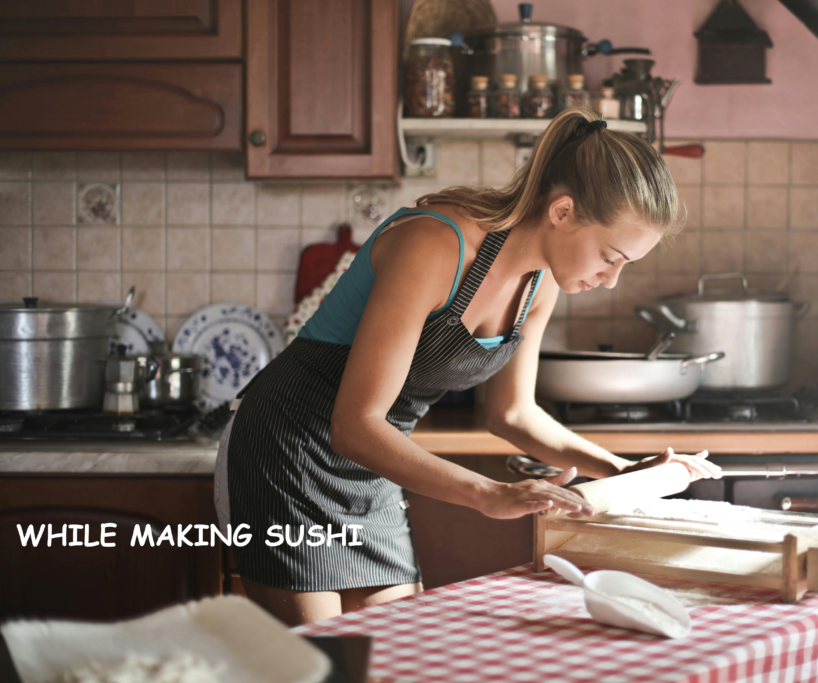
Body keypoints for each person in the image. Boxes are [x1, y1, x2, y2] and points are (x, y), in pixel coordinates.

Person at [213, 107, 722, 627]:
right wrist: (488, 494)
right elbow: (354, 424)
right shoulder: (436, 244)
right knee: (318, 660)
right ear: (563, 212)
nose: (610, 279)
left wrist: (626, 472)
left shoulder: (540, 282)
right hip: (287, 450)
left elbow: (515, 415)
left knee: (391, 651)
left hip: (374, 462)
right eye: (609, 256)